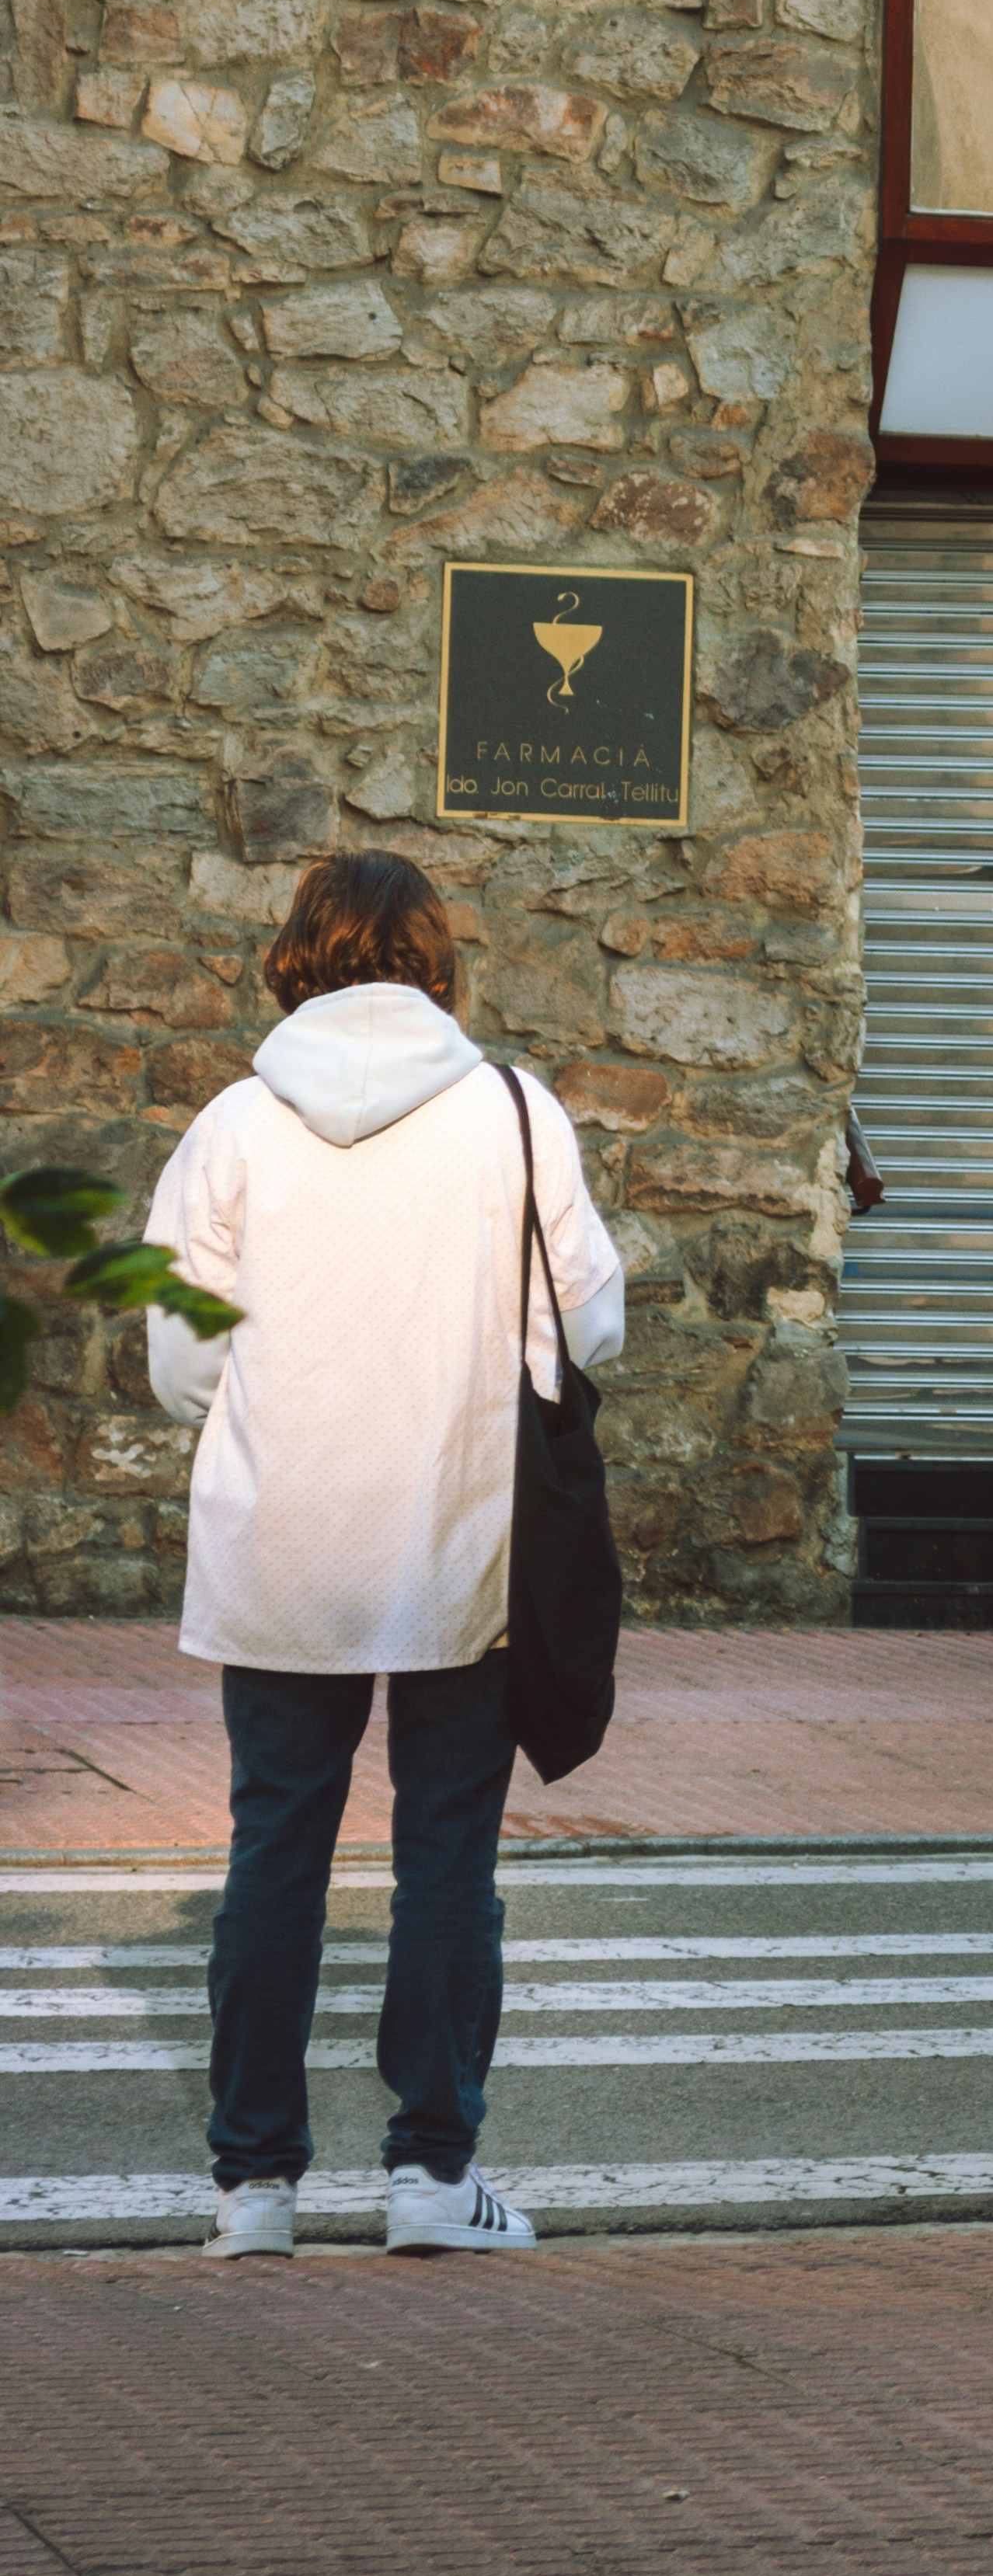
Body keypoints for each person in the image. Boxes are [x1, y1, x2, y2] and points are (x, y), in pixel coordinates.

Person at [146, 848, 626, 2260]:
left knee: (273, 1855)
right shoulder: (514, 1115)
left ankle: (255, 2190)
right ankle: (430, 2174)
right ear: (436, 963)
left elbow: (179, 1364)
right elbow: (588, 1328)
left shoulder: (233, 1126)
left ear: (295, 958)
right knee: (445, 1860)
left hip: (279, 1550)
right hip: (461, 1547)